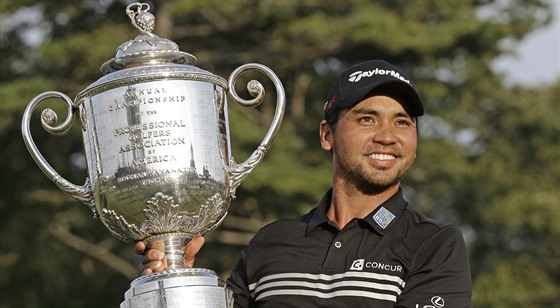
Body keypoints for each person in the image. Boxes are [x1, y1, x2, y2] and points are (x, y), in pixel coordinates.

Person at [136, 60, 473, 307]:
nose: (387, 136)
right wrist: (181, 281)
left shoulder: (433, 243)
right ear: (327, 135)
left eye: (402, 122)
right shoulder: (270, 243)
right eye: (367, 119)